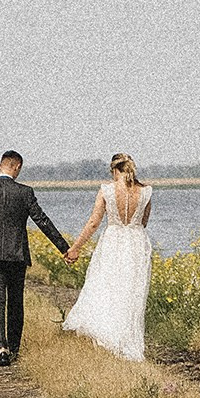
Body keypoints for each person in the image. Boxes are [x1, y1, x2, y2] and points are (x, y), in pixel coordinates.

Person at [0, 151, 70, 367]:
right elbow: (42, 221)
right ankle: (14, 349)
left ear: (0, 165)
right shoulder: (25, 192)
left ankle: (1, 348)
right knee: (15, 301)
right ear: (17, 167)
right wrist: (64, 248)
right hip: (16, 254)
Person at [63, 154, 153, 362]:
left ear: (114, 171)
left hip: (113, 241)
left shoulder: (107, 190)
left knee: (106, 288)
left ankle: (106, 337)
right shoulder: (146, 192)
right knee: (131, 293)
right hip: (136, 243)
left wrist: (75, 248)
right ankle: (125, 342)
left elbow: (94, 222)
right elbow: (145, 221)